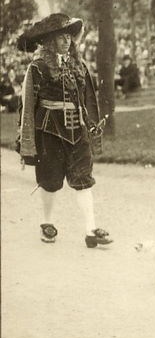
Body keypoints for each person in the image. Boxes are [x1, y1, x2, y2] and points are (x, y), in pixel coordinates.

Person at [16, 13, 113, 248]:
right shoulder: (37, 68)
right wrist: (26, 138)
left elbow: (87, 98)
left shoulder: (79, 66)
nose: (67, 41)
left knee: (83, 178)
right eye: (61, 37)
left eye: (69, 37)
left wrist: (90, 124)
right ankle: (47, 223)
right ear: (50, 41)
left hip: (77, 131)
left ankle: (91, 231)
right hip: (49, 131)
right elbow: (28, 104)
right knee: (49, 179)